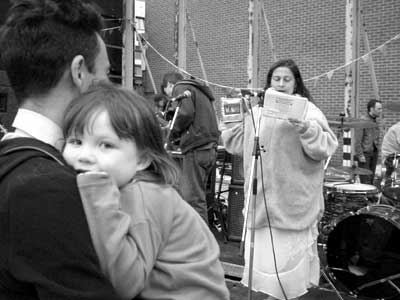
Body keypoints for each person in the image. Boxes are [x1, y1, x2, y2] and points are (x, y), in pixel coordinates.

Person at [61, 81, 230, 300]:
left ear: (142, 159)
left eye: (106, 145)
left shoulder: (144, 195)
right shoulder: (136, 189)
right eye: (76, 141)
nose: (85, 155)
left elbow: (124, 283)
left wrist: (96, 195)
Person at [0, 0, 122, 299]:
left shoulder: (13, 162)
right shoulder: (48, 188)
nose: (110, 90)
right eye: (105, 76)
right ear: (79, 71)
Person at [220, 59, 338, 300]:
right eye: (276, 79)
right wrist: (233, 116)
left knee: (287, 270)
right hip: (261, 200)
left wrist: (304, 127)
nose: (281, 84)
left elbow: (325, 147)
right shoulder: (257, 112)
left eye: (287, 79)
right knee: (263, 268)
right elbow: (234, 145)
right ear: (269, 82)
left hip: (292, 202)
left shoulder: (309, 111)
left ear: (296, 83)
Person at [161, 72, 220, 224]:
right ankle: (201, 239)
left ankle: (199, 243)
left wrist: (172, 132)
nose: (171, 98)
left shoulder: (182, 87)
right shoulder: (199, 90)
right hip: (209, 148)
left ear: (169, 85)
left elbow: (185, 113)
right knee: (199, 198)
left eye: (168, 94)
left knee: (192, 200)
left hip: (196, 147)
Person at [354, 99, 383, 184]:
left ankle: (370, 197)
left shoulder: (375, 120)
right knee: (365, 181)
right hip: (365, 155)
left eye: (381, 108)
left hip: (374, 153)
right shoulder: (362, 120)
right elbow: (357, 140)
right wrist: (360, 155)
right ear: (371, 109)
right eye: (379, 109)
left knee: (371, 179)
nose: (381, 111)